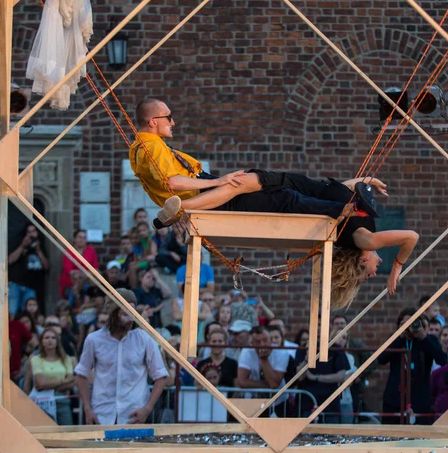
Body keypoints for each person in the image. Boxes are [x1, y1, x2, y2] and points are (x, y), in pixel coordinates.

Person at [130, 97, 419, 307]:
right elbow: (337, 190)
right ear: (153, 122)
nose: (173, 121)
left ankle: (179, 210)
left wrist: (395, 266)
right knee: (255, 187)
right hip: (300, 185)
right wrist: (364, 181)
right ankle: (179, 210)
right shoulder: (149, 147)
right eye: (168, 117)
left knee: (267, 191)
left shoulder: (364, 239)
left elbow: (407, 235)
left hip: (292, 188)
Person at [75, 288, 169, 425]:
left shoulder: (145, 339)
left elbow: (161, 376)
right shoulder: (93, 340)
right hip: (102, 415)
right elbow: (81, 374)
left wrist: (147, 409)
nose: (130, 319)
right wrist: (87, 409)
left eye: (132, 313)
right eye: (125, 314)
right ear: (113, 313)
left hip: (134, 416)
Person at [378, 308, 447, 424]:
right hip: (395, 399)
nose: (407, 326)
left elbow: (442, 359)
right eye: (403, 324)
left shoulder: (428, 340)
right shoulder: (394, 340)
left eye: (410, 322)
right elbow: (381, 359)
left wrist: (423, 337)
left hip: (419, 399)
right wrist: (399, 337)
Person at [236, 326, 291, 415]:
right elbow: (242, 381)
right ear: (252, 343)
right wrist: (268, 386)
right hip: (255, 401)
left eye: (265, 340)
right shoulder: (246, 351)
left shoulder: (282, 353)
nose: (262, 344)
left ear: (270, 340)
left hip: (279, 402)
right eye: (258, 342)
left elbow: (274, 384)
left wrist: (264, 359)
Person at [28, 328, 75, 424]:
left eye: (53, 338)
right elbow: (39, 383)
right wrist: (63, 381)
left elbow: (71, 383)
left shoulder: (66, 359)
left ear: (58, 341)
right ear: (42, 341)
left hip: (62, 401)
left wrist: (47, 385)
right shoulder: (36, 359)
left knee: (66, 433)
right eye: (47, 337)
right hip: (42, 402)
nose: (50, 340)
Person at [7, 223, 50, 316]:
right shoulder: (19, 243)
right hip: (16, 283)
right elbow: (10, 260)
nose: (31, 234)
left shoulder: (41, 246)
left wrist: (38, 251)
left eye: (33, 231)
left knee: (30, 313)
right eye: (29, 232)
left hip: (32, 286)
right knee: (12, 311)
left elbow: (47, 266)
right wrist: (22, 246)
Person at [59, 230, 99, 299]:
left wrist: (84, 276)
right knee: (75, 286)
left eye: (84, 238)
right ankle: (73, 305)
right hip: (70, 282)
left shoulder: (91, 250)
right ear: (75, 239)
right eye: (80, 237)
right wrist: (81, 275)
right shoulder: (69, 252)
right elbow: (69, 271)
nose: (82, 240)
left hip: (87, 280)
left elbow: (95, 268)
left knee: (84, 285)